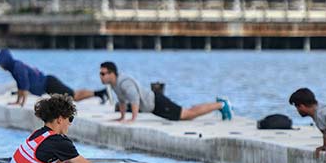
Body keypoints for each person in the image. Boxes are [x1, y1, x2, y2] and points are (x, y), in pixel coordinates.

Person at [4, 94, 130, 163]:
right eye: (70, 119)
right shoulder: (58, 142)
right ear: (60, 119)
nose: (70, 123)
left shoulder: (37, 135)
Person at [99, 61, 231, 122]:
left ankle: (221, 105)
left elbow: (134, 100)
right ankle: (218, 104)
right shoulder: (115, 84)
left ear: (112, 73)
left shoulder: (124, 82)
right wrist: (122, 117)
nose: (101, 76)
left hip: (157, 103)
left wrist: (133, 119)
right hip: (154, 106)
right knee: (188, 112)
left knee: (188, 114)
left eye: (103, 73)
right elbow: (122, 101)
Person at [0, 49, 105, 106]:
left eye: (0, 64)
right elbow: (20, 86)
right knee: (72, 95)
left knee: (74, 96)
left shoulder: (17, 67)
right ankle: (99, 93)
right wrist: (17, 101)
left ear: (5, 62)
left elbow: (24, 86)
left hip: (49, 84)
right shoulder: (14, 66)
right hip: (47, 85)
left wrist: (21, 103)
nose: (0, 67)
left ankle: (99, 93)